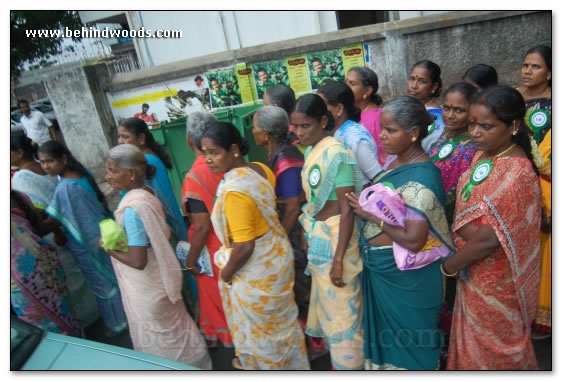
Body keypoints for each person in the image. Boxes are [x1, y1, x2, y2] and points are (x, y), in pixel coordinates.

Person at [345, 96, 453, 370]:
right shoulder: (396, 163)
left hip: (407, 278)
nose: (381, 136)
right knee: (387, 346)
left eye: (391, 130)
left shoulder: (424, 177)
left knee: (412, 346)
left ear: (414, 133)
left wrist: (371, 217)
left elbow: (415, 241)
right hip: (382, 272)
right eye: (382, 128)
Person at [442, 85, 542, 370]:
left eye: (486, 126)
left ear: (513, 126)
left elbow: (488, 240)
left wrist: (449, 266)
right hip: (473, 272)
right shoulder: (483, 154)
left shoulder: (517, 171)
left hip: (495, 280)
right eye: (473, 124)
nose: (475, 132)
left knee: (496, 348)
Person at [200, 121, 310, 370]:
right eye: (205, 153)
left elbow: (244, 247)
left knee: (265, 341)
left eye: (214, 152)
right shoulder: (260, 170)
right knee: (283, 328)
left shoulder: (235, 192)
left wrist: (226, 276)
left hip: (255, 270)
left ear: (234, 149)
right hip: (276, 257)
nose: (208, 159)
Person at [103, 144, 212, 369]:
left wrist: (109, 248)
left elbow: (138, 261)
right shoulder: (147, 193)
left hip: (148, 286)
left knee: (162, 341)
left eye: (113, 170)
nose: (108, 176)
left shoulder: (133, 209)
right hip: (161, 280)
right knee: (179, 330)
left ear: (131, 173)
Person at [291, 94, 364, 370]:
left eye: (305, 126)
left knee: (345, 315)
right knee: (331, 315)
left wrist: (337, 261)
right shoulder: (311, 151)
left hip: (338, 243)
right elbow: (311, 202)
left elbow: (347, 210)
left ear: (323, 121)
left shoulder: (338, 154)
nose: (299, 133)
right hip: (319, 236)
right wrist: (305, 233)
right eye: (295, 127)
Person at [38, 141, 128, 336]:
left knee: (103, 285)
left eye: (50, 161)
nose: (46, 166)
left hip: (89, 244)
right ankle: (128, 314)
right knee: (115, 277)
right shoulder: (80, 173)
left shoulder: (65, 188)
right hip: (103, 232)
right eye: (43, 162)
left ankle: (118, 323)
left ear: (63, 158)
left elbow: (52, 221)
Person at [11, 132, 100, 329]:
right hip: (68, 228)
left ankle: (87, 324)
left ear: (18, 153)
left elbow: (40, 214)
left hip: (51, 237)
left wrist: (53, 230)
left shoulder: (22, 179)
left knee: (69, 285)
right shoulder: (45, 167)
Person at [252, 106, 310, 318]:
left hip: (295, 230)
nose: (253, 132)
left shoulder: (285, 159)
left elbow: (293, 207)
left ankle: (317, 341)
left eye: (255, 128)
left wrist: (280, 240)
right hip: (290, 227)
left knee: (302, 284)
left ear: (265, 133)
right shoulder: (278, 153)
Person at [182, 112, 233, 349]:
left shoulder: (195, 176)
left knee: (221, 302)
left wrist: (191, 259)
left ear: (189, 141)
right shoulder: (230, 159)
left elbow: (201, 226)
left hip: (214, 250)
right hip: (238, 240)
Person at [11, 189, 81, 337]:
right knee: (64, 314)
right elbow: (39, 224)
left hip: (24, 284)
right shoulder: (19, 196)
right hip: (46, 267)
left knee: (45, 332)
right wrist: (57, 230)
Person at [517, 45, 551, 339]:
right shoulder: (513, 99)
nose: (528, 71)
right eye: (525, 65)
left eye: (536, 66)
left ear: (551, 72)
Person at [117, 118, 188, 243]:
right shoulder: (140, 159)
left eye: (125, 137)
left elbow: (164, 199)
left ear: (141, 139)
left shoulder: (148, 160)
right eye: (119, 137)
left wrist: (173, 229)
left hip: (163, 223)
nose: (120, 142)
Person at [429, 82, 478, 225]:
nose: (450, 115)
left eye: (459, 110)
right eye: (446, 108)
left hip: (451, 216)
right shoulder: (446, 133)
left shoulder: (470, 147)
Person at [318, 80, 381, 187]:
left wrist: (364, 202)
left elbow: (379, 178)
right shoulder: (335, 133)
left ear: (339, 109)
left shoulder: (354, 139)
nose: (317, 112)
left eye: (322, 107)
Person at [346, 66, 387, 166]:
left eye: (352, 84)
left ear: (368, 91)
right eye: (346, 82)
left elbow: (384, 157)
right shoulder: (348, 113)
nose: (346, 87)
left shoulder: (378, 118)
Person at [406, 60, 445, 152]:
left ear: (434, 86)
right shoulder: (411, 109)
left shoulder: (437, 118)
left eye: (422, 81)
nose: (414, 86)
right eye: (411, 79)